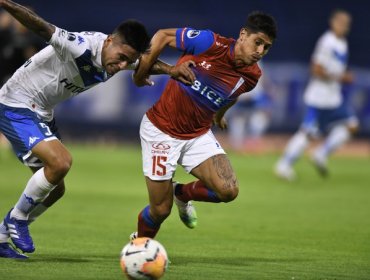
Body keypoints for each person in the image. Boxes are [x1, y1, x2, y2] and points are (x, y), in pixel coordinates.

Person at [0, 0, 194, 259]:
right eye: (122, 58)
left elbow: (145, 64)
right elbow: (41, 26)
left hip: (42, 112)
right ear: (110, 40)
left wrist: (171, 70)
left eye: (129, 61)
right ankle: (18, 218)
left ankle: (1, 238)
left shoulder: (119, 56)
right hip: (16, 103)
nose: (123, 66)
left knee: (55, 189)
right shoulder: (79, 46)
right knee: (61, 162)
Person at [130, 11, 277, 239]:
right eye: (257, 42)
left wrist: (219, 115)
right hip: (161, 131)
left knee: (228, 191)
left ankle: (181, 193)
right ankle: (139, 247)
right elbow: (162, 36)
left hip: (197, 135)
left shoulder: (252, 76)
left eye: (266, 47)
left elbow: (233, 94)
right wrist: (141, 74)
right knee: (160, 210)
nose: (260, 51)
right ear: (243, 35)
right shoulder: (209, 42)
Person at [275, 9, 358, 181]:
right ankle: (284, 164)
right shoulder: (327, 42)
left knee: (352, 125)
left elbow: (335, 69)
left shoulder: (342, 43)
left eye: (346, 24)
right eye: (341, 22)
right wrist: (342, 77)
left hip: (334, 98)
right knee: (308, 133)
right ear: (333, 22)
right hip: (319, 98)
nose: (344, 27)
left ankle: (321, 153)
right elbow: (316, 69)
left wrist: (341, 76)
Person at [226, 61, 273, 153]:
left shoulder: (257, 60)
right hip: (240, 96)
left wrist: (269, 91)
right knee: (237, 122)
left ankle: (253, 143)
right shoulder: (236, 59)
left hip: (255, 96)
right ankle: (237, 146)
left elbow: (263, 78)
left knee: (259, 120)